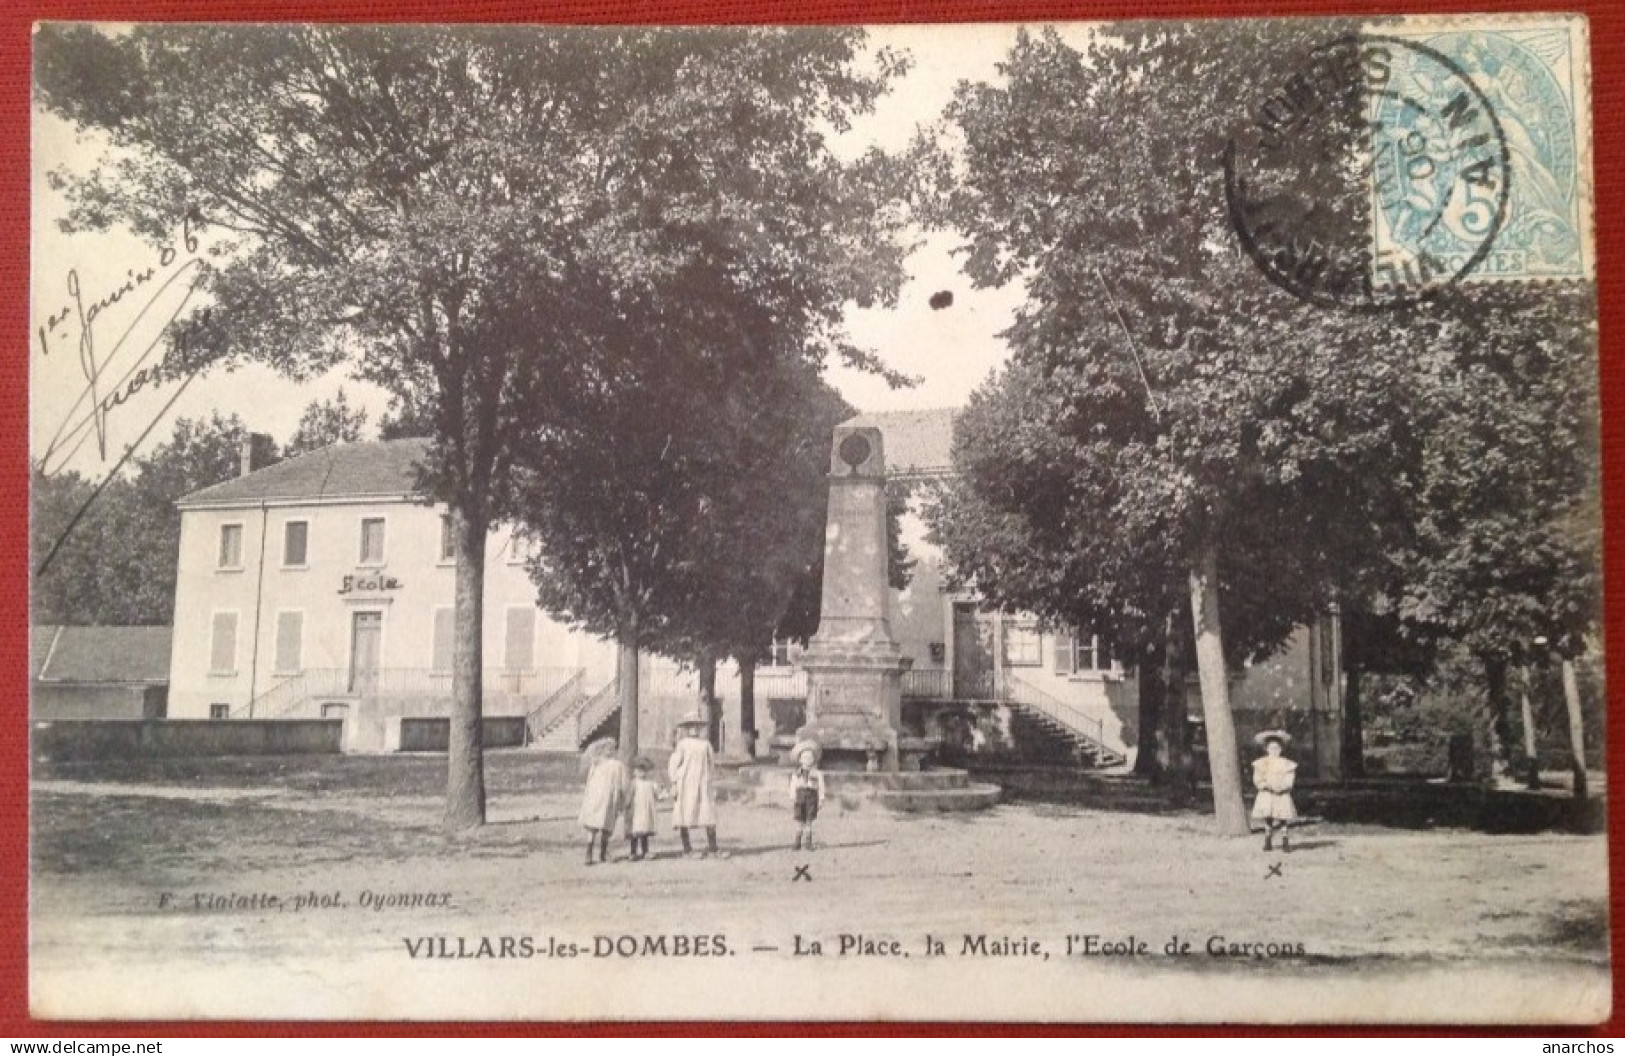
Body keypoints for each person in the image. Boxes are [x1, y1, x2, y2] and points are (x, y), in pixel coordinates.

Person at [668, 712, 726, 858]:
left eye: (696, 726)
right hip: (686, 783)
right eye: (690, 726)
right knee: (684, 811)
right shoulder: (682, 745)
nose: (693, 729)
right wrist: (674, 782)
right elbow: (674, 763)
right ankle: (687, 848)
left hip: (702, 782)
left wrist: (710, 779)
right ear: (686, 728)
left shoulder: (705, 744)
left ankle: (713, 847)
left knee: (707, 812)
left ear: (700, 728)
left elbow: (711, 763)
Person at [578, 737, 628, 866]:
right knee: (596, 824)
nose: (610, 750)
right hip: (598, 796)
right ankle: (590, 852)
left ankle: (601, 852)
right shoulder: (598, 763)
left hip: (606, 796)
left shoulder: (615, 765)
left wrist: (620, 797)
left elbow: (621, 783)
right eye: (608, 748)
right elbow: (590, 780)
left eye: (612, 748)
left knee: (604, 823)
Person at [1251, 730, 1299, 852]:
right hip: (1267, 793)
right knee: (1268, 816)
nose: (1274, 751)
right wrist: (1265, 785)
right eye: (1271, 748)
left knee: (1283, 817)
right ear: (1267, 749)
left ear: (1281, 749)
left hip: (1281, 794)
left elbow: (1289, 779)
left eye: (1277, 748)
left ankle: (1285, 841)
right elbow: (1258, 779)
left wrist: (1282, 786)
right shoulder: (1262, 763)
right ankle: (1268, 840)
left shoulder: (1286, 764)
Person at [788, 739, 826, 852]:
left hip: (811, 798)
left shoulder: (817, 774)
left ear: (814, 759)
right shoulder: (796, 774)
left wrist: (821, 799)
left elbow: (821, 787)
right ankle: (797, 842)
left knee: (809, 820)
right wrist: (792, 796)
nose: (807, 760)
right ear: (800, 760)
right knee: (799, 820)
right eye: (805, 758)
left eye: (810, 757)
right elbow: (793, 785)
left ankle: (808, 842)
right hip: (799, 798)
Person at [625, 756, 659, 862]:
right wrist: (626, 804)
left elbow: (658, 794)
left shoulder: (651, 783)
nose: (641, 773)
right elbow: (629, 796)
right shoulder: (634, 783)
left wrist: (664, 795)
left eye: (644, 770)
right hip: (636, 810)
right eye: (638, 770)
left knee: (644, 831)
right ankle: (633, 852)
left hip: (646, 810)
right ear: (634, 771)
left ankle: (645, 851)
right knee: (635, 831)